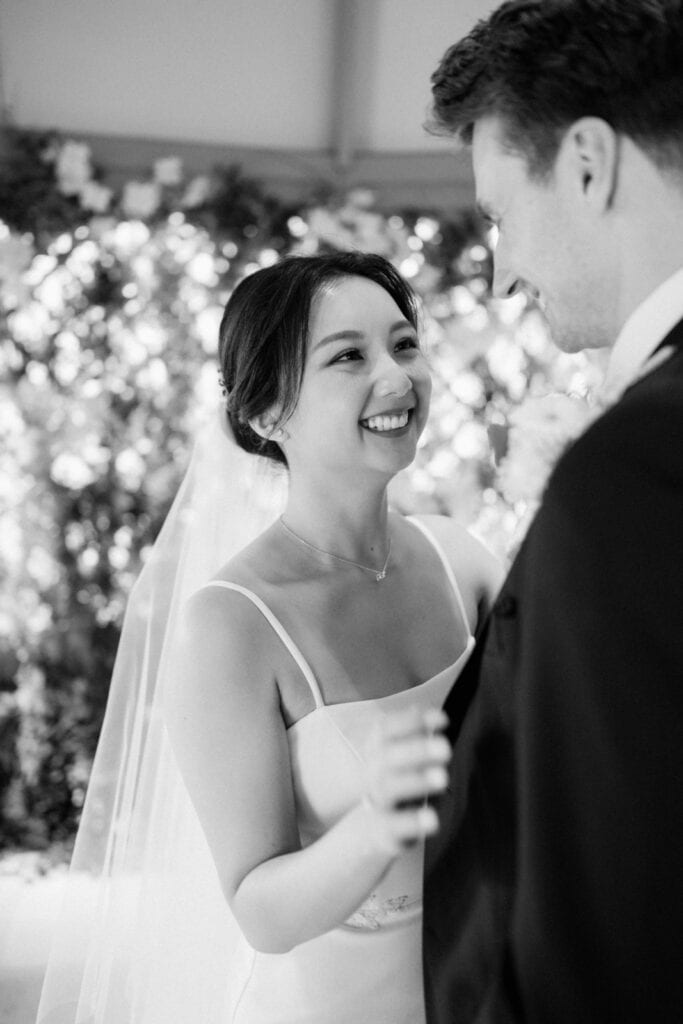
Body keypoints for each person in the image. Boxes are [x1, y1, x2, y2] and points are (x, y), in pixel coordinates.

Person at [36, 252, 501, 1024]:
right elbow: (260, 909)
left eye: (404, 344)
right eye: (348, 355)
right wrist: (379, 822)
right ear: (266, 413)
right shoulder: (229, 628)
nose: (396, 375)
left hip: (487, 982)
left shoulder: (461, 560)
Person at [421, 2, 683, 1022]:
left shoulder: (637, 468)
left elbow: (616, 931)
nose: (498, 269)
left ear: (586, 164)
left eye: (497, 214)